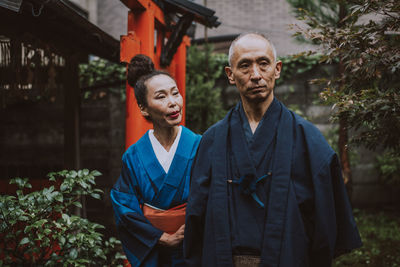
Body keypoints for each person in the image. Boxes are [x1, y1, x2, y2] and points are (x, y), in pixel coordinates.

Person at [184, 33, 362, 267]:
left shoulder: (308, 138)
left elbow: (326, 217)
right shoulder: (212, 139)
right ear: (230, 74)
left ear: (277, 69)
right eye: (245, 66)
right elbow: (197, 214)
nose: (256, 75)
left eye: (263, 64)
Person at [111, 54, 201, 267]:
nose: (173, 102)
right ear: (143, 108)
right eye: (161, 97)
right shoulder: (133, 156)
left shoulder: (201, 145)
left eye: (175, 93)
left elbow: (215, 196)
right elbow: (125, 207)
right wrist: (162, 238)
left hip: (194, 248)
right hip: (155, 251)